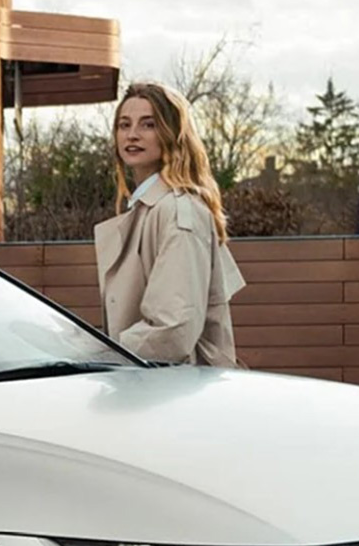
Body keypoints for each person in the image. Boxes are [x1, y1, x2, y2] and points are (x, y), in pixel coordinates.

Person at [92, 81, 247, 366]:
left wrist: (98, 355)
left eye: (148, 125)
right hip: (157, 387)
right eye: (124, 125)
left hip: (179, 393)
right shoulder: (150, 209)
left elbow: (173, 328)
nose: (133, 135)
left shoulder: (178, 211)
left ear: (171, 134)